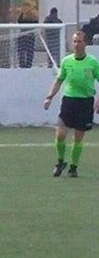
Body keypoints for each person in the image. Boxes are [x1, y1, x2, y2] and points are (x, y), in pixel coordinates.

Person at [43, 31, 99, 178]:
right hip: (69, 101)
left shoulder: (92, 62)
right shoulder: (66, 61)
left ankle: (73, 167)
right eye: (74, 41)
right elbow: (59, 80)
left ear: (85, 43)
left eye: (79, 41)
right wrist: (49, 97)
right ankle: (60, 161)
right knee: (60, 135)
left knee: (78, 138)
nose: (76, 44)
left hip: (85, 102)